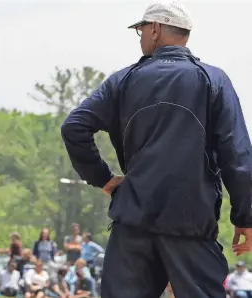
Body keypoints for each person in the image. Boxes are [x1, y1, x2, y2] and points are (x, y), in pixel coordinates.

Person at [60, 1, 252, 297]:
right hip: (191, 224)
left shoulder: (123, 80)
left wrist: (104, 179)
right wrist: (245, 217)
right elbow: (237, 156)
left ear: (155, 29)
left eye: (140, 31)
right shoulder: (213, 80)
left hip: (134, 222)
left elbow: (74, 127)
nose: (140, 38)